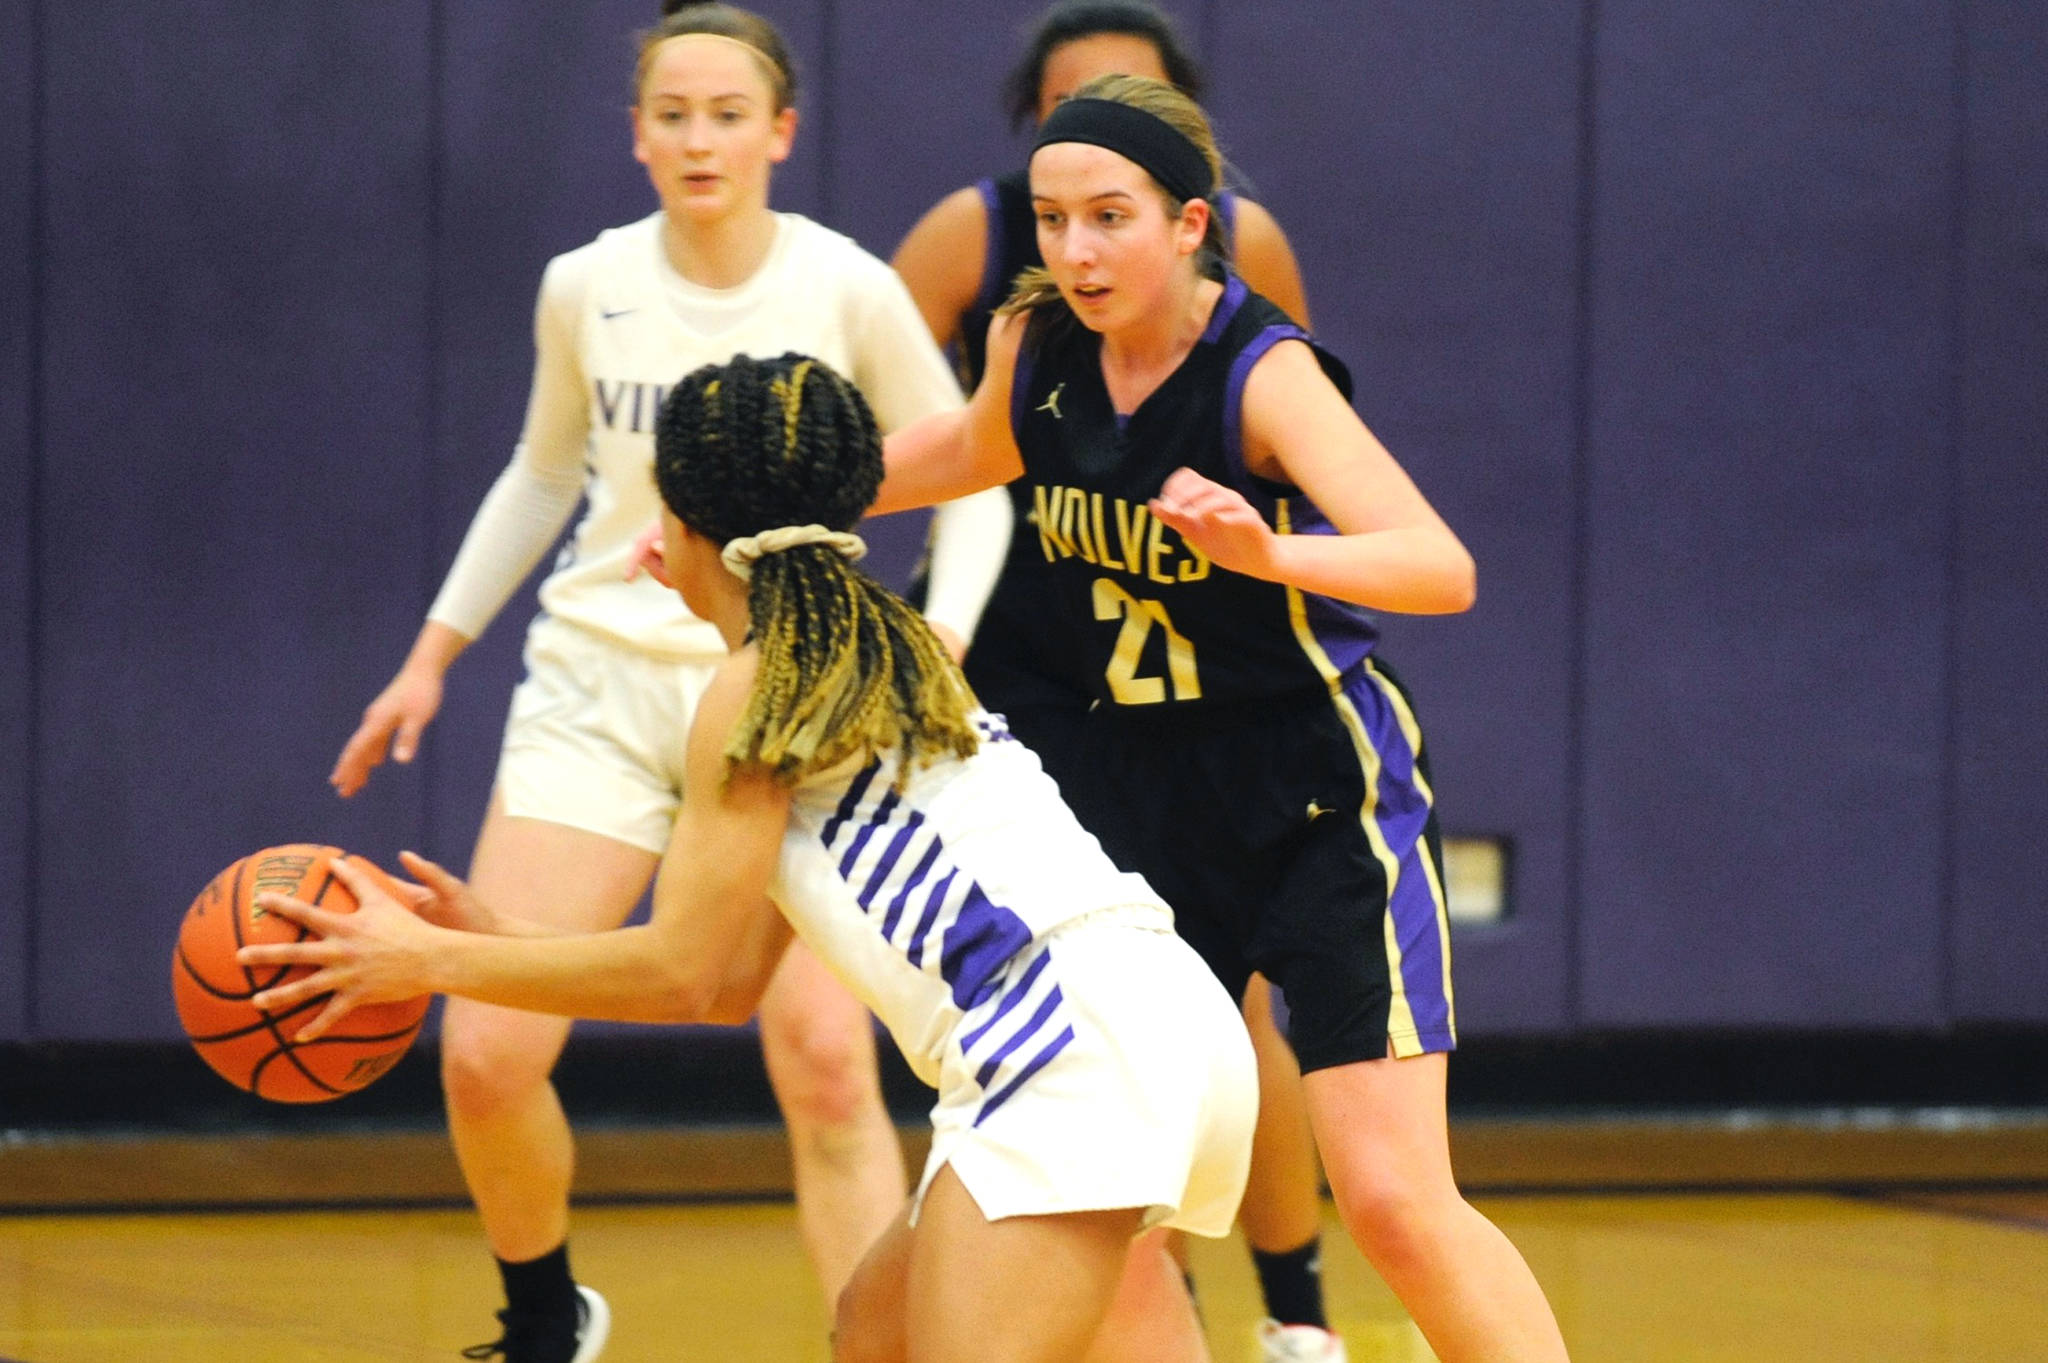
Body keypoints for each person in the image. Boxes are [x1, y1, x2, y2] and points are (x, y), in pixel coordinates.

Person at [250, 352, 1259, 1363]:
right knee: (876, 1332)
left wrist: (421, 963)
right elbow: (729, 978)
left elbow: (681, 972)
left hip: (1063, 1048)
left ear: (684, 526)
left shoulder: (755, 686)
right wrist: (500, 938)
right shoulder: (871, 640)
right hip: (1155, 1015)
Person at [872, 75, 1573, 1363]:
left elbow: (1437, 564)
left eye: (1109, 217)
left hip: (1314, 792)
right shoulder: (1036, 349)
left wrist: (1269, 556)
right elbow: (966, 452)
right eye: (1050, 219)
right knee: (1115, 1199)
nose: (1075, 251)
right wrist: (782, 487)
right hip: (1138, 805)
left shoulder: (1260, 373)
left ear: (1190, 223)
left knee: (1393, 1199)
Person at [327, 9, 975, 1359]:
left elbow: (977, 481)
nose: (698, 138)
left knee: (824, 1069)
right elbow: (543, 473)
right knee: (487, 1053)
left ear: (781, 132)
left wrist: (940, 641)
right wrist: (430, 655)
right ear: (636, 134)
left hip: (777, 708)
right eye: (672, 113)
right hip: (600, 690)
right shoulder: (586, 284)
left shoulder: (848, 287)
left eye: (728, 113)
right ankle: (545, 1315)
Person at [889, 5, 1336, 1358]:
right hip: (1028, 649)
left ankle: (1298, 1310)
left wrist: (1267, 574)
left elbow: (1304, 457)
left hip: (1197, 648)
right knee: (1058, 993)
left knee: (1237, 998)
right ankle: (1133, 1292)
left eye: (1129, 105)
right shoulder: (973, 244)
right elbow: (916, 429)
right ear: (1030, 131)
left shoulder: (1245, 259)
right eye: (1070, 107)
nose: (1095, 126)